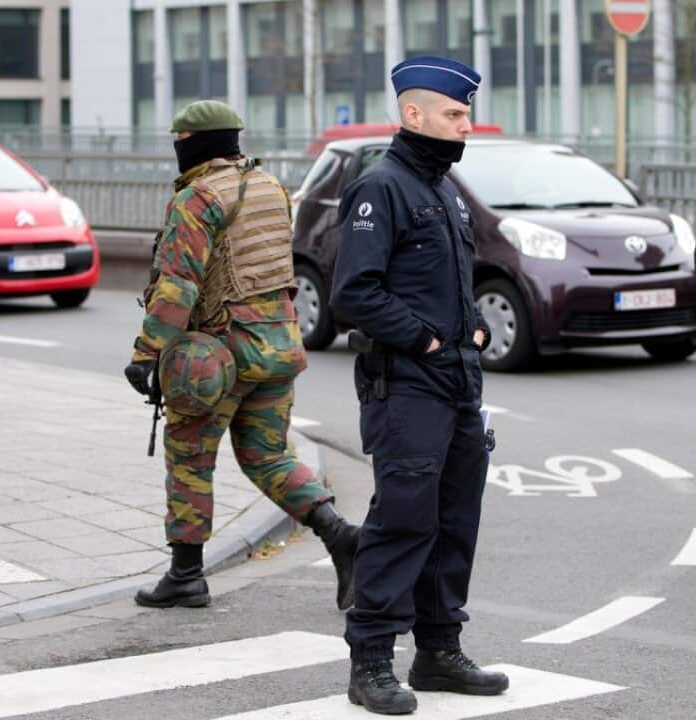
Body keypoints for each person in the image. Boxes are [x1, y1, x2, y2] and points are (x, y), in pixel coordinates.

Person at [125, 100, 360, 611]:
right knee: (269, 455)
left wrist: (146, 355)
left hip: (221, 354)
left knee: (190, 455)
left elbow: (178, 287)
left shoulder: (197, 199)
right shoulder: (271, 188)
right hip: (278, 346)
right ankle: (339, 533)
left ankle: (186, 575)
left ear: (189, 144)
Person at [330, 56, 508, 715]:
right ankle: (371, 661)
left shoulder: (442, 188)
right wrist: (426, 337)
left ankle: (438, 651)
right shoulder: (383, 186)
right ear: (415, 114)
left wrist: (471, 333)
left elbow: (444, 285)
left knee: (454, 521)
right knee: (403, 521)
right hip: (405, 383)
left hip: (457, 381)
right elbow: (355, 292)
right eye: (455, 114)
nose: (466, 125)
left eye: (465, 114)